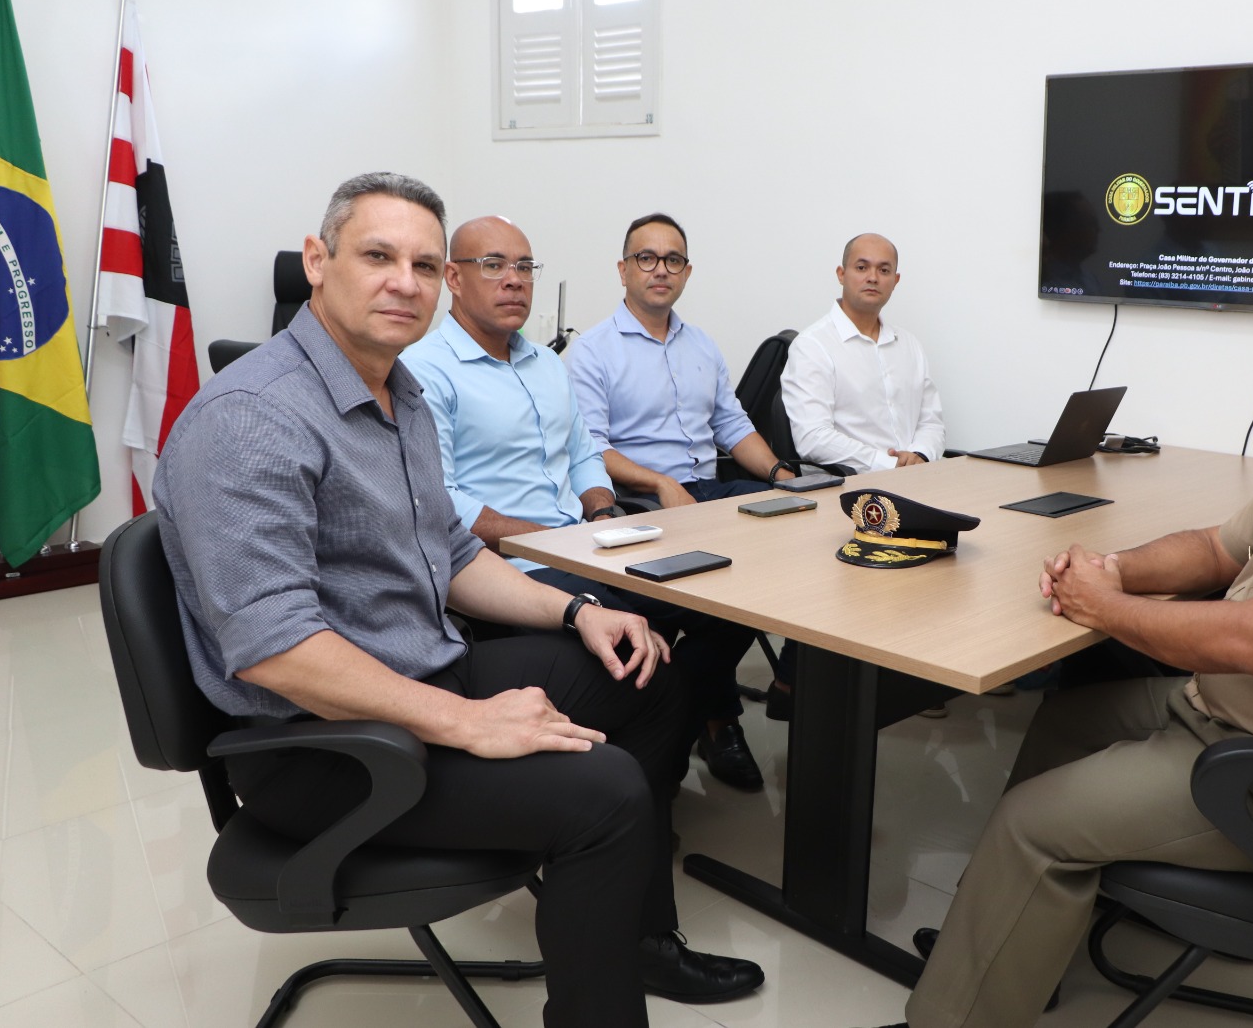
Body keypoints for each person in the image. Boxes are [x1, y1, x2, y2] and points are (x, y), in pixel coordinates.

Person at [152, 173, 763, 1028]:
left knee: (650, 674)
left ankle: (628, 939)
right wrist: (470, 722)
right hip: (319, 747)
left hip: (420, 677)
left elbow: (451, 548)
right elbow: (274, 647)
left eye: (425, 265)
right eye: (378, 256)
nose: (405, 281)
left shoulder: (397, 392)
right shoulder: (253, 415)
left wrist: (579, 614)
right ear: (317, 262)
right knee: (608, 792)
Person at [867, 238, 1253, 1028]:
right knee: (1066, 717)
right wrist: (1109, 569)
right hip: (1248, 718)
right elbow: (1214, 548)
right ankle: (1009, 941)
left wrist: (1104, 609)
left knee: (1034, 825)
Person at [401, 214, 766, 791]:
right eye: (493, 266)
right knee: (644, 640)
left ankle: (675, 749)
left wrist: (600, 511)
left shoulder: (546, 362)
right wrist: (548, 537)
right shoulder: (425, 369)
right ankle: (643, 792)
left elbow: (584, 453)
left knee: (727, 602)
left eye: (524, 267)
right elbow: (445, 501)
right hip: (514, 567)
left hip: (586, 544)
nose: (514, 280)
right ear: (453, 277)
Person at [566, 212, 797, 508]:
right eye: (647, 258)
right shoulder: (592, 350)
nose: (661, 270)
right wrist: (662, 483)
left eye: (673, 261)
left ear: (686, 273)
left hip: (709, 490)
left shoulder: (702, 344)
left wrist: (782, 474)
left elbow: (732, 425)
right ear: (623, 271)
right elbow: (591, 447)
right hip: (643, 499)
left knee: (792, 511)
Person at [780, 233, 945, 474]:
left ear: (896, 280)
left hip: (915, 480)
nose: (873, 278)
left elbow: (931, 421)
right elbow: (812, 437)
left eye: (884, 270)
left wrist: (920, 454)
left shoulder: (910, 345)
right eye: (861, 267)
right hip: (846, 491)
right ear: (841, 274)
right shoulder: (812, 346)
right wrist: (889, 464)